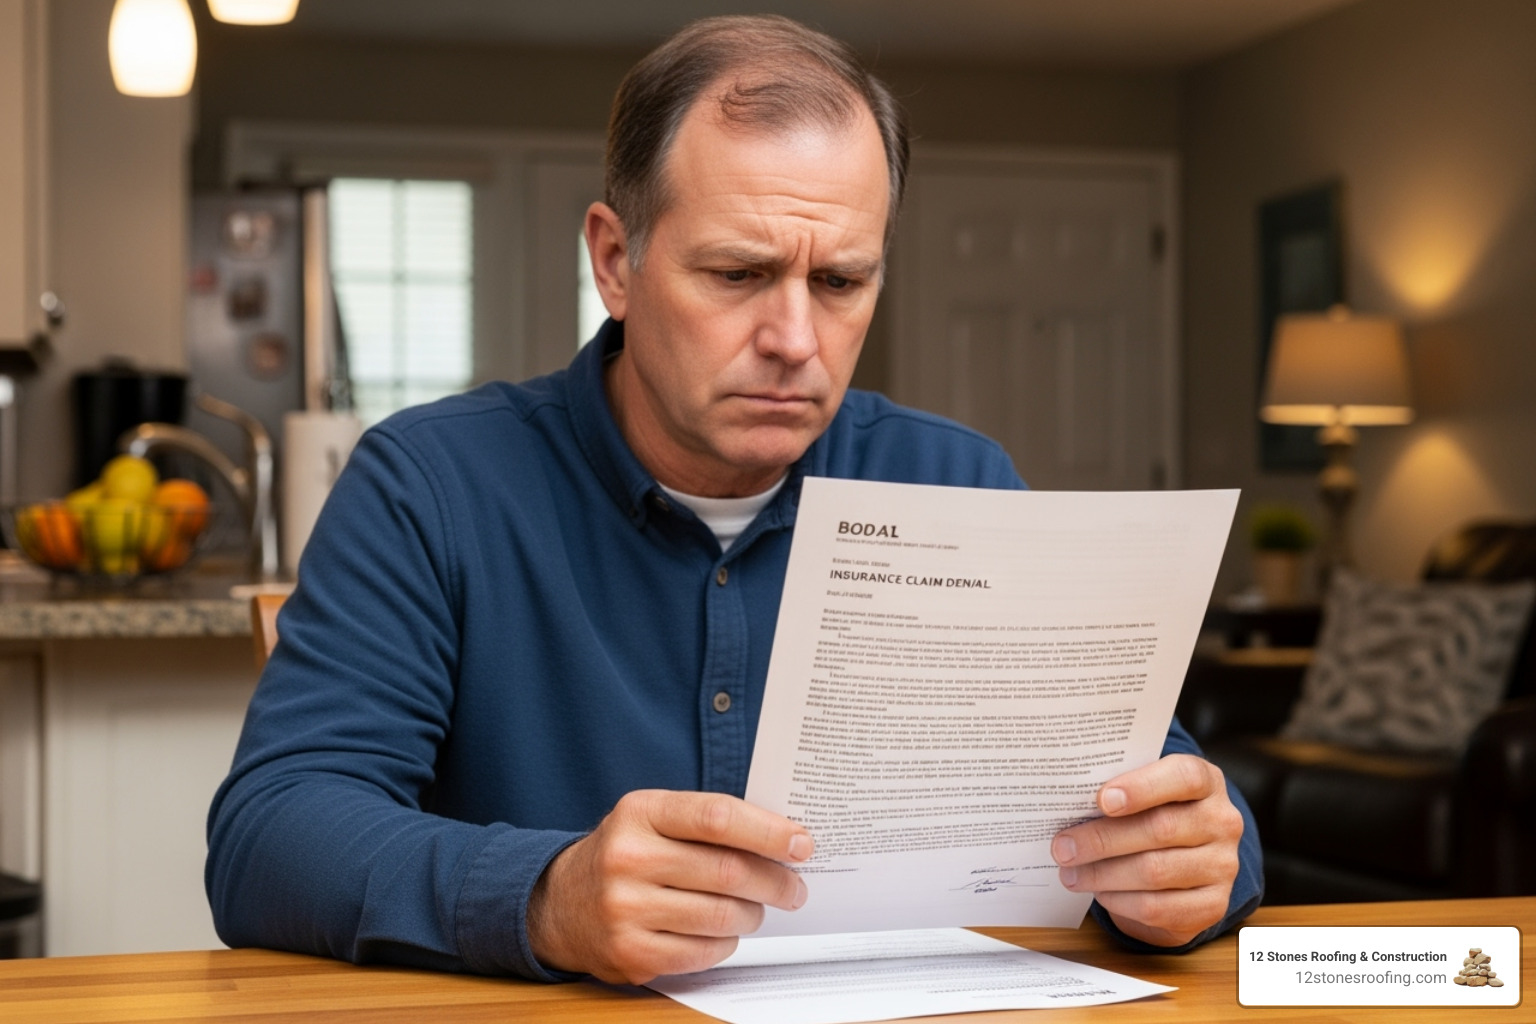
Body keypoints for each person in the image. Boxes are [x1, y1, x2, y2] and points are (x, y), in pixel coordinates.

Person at [206, 14, 1261, 986]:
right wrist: (543, 895)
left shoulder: (960, 482)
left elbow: (1174, 797)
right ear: (616, 261)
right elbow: (271, 835)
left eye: (840, 283)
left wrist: (1193, 864)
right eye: (739, 274)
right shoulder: (428, 488)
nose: (795, 341)